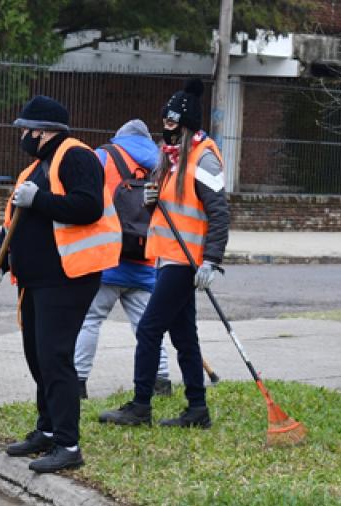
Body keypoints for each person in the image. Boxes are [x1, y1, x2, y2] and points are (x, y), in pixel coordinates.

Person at [0, 95, 121, 473]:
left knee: (55, 358)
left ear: (43, 132)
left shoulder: (76, 156)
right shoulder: (33, 169)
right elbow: (13, 222)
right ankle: (45, 430)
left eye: (26, 129)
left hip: (68, 278)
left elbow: (88, 206)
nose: (22, 135)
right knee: (36, 357)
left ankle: (67, 443)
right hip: (35, 281)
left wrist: (40, 199)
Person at [98, 79, 229, 428]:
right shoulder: (171, 159)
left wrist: (212, 261)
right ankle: (197, 410)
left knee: (150, 329)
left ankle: (141, 405)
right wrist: (153, 200)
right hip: (168, 257)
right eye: (164, 123)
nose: (165, 129)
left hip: (186, 262)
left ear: (186, 126)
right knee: (184, 335)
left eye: (172, 124)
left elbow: (219, 212)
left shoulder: (204, 158)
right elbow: (176, 205)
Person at [73, 119, 171, 400]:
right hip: (145, 260)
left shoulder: (103, 156)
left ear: (119, 137)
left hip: (107, 259)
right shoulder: (162, 164)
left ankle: (78, 382)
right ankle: (161, 380)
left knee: (90, 320)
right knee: (148, 326)